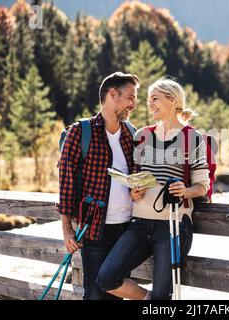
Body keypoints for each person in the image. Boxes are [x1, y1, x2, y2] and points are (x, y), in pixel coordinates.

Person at [96, 77, 210, 300]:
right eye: (148, 100)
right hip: (139, 223)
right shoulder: (142, 136)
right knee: (107, 278)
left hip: (172, 225)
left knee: (162, 297)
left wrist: (185, 191)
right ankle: (150, 300)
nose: (149, 105)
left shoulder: (192, 138)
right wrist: (134, 190)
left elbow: (202, 186)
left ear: (172, 100)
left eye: (154, 99)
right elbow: (138, 175)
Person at [57, 72, 140, 300]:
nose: (134, 104)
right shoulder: (80, 132)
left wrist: (138, 189)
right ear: (112, 94)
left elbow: (135, 179)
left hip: (127, 230)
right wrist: (66, 229)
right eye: (130, 98)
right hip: (95, 230)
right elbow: (66, 183)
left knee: (116, 293)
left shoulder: (131, 135)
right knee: (94, 295)